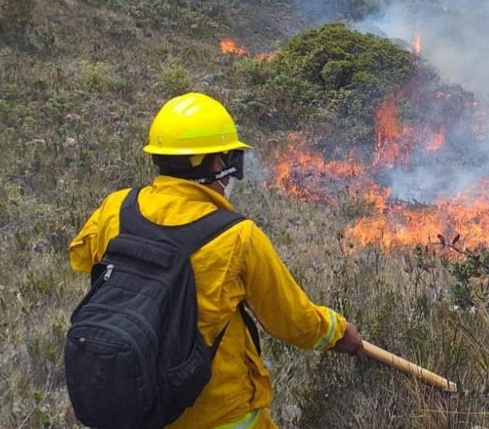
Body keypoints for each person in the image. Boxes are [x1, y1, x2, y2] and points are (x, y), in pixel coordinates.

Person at [69, 92, 368, 429]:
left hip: (139, 406)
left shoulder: (116, 207)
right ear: (216, 163)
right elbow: (292, 321)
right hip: (219, 415)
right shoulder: (237, 236)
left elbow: (82, 259)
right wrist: (339, 333)